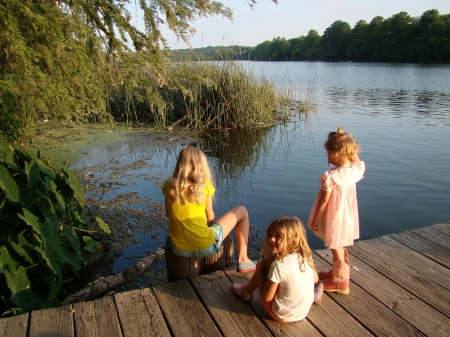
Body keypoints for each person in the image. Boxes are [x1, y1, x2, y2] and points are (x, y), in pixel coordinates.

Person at [162, 146, 256, 273]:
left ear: (180, 164)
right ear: (202, 165)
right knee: (242, 210)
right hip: (206, 247)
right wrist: (210, 229)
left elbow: (169, 214)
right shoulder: (204, 186)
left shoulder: (169, 186)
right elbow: (210, 216)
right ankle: (243, 259)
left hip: (179, 249)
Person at [231, 216, 323, 323]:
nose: (271, 239)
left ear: (293, 241)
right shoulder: (302, 257)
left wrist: (260, 269)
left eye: (278, 237)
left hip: (281, 315)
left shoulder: (279, 266)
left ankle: (246, 292)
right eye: (270, 235)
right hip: (302, 312)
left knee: (265, 264)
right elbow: (316, 279)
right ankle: (313, 296)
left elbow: (266, 298)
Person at [307, 126, 365, 295]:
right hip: (346, 215)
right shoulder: (355, 170)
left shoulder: (331, 178)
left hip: (332, 215)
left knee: (335, 245)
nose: (327, 155)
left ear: (335, 154)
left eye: (329, 151)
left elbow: (324, 200)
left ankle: (340, 282)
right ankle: (337, 272)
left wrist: (316, 218)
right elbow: (356, 159)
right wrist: (346, 141)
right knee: (338, 244)